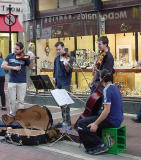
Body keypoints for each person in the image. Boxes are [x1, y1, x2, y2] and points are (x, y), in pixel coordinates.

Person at [77, 69, 123, 155]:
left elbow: (106, 111)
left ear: (102, 79)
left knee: (81, 123)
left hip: (111, 121)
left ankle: (98, 146)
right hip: (118, 119)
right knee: (96, 116)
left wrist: (95, 123)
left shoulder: (106, 90)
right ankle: (98, 141)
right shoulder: (116, 88)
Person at [1, 42, 34, 116]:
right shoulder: (10, 56)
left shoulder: (25, 57)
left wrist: (31, 60)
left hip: (22, 82)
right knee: (12, 100)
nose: (15, 50)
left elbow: (31, 67)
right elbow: (3, 66)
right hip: (12, 81)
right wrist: (13, 68)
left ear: (21, 50)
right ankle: (12, 115)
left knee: (21, 101)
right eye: (14, 48)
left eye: (17, 49)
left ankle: (20, 116)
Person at [53, 41, 73, 127]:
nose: (58, 51)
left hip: (65, 82)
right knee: (61, 103)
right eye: (57, 50)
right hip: (58, 83)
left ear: (63, 48)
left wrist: (67, 66)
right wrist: (54, 77)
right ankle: (63, 119)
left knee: (66, 104)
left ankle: (67, 121)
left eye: (59, 49)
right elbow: (54, 69)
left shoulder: (68, 58)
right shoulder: (56, 58)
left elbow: (69, 71)